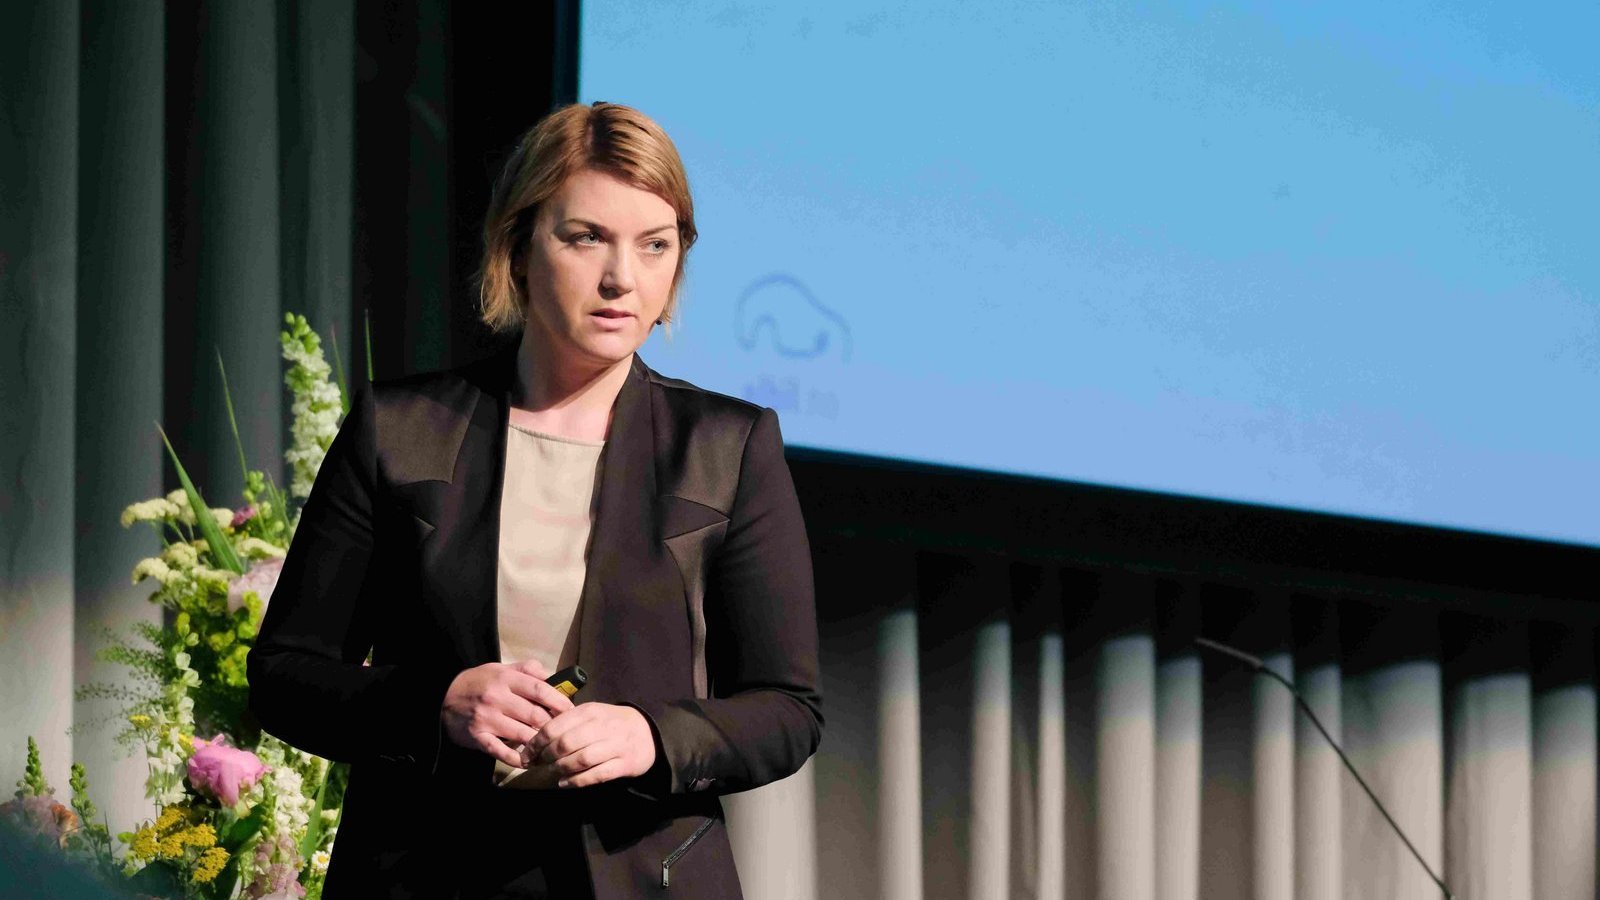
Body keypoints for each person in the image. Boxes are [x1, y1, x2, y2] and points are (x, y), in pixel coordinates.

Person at [248, 101, 823, 898]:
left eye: (655, 245)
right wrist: (434, 705)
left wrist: (652, 737)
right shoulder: (402, 429)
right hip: (424, 874)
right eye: (586, 237)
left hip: (641, 877)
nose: (622, 278)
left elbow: (789, 710)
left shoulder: (727, 445)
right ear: (517, 247)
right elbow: (284, 676)